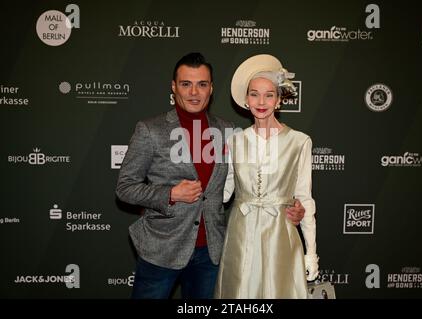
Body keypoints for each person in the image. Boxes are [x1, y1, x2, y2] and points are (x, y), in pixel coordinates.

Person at [115, 52, 306, 299]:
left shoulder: (229, 132)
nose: (194, 92)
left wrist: (291, 206)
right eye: (186, 84)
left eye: (202, 84)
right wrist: (170, 194)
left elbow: (253, 181)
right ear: (174, 87)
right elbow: (125, 187)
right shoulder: (150, 130)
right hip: (161, 250)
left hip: (211, 253)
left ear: (211, 89)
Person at [215, 54, 319, 298]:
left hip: (280, 235)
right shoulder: (235, 141)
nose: (261, 101)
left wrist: (310, 252)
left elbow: (305, 198)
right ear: (245, 99)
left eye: (269, 94)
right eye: (254, 93)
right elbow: (223, 192)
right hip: (241, 236)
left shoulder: (299, 142)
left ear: (279, 99)